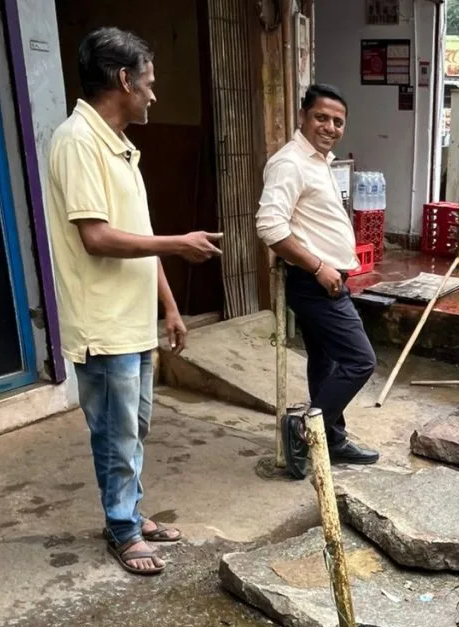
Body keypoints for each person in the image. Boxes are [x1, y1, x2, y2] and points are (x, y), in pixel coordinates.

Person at [46, 28, 223, 575]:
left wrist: (168, 304)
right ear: (123, 80)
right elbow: (96, 238)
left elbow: (137, 236)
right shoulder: (78, 142)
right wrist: (179, 244)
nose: (153, 95)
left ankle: (130, 511)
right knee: (116, 433)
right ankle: (123, 528)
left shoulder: (118, 145)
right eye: (148, 83)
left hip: (132, 319)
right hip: (102, 322)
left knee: (134, 427)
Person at [256, 84, 378, 479]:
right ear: (303, 117)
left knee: (325, 363)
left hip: (326, 279)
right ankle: (306, 428)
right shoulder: (290, 162)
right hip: (316, 283)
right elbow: (270, 226)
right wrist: (318, 268)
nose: (329, 127)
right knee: (360, 361)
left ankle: (332, 439)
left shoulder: (319, 161)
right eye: (321, 118)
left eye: (337, 121)